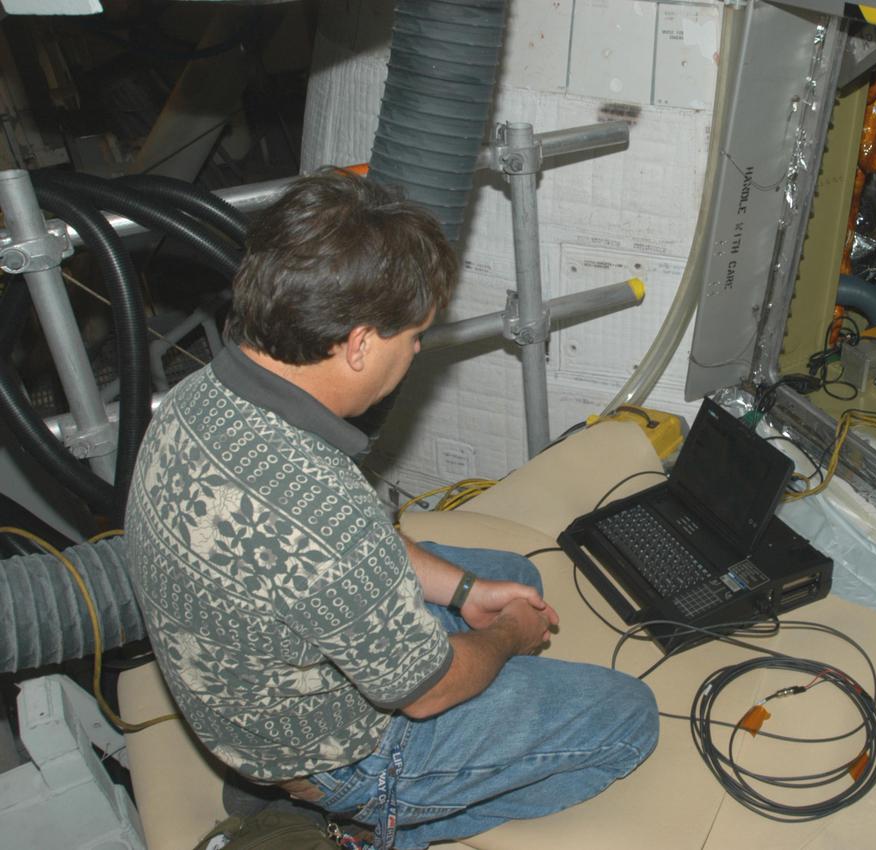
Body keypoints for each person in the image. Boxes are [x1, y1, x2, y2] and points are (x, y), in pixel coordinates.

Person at [124, 169, 658, 849]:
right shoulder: (317, 500)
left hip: (245, 694)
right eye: (414, 338)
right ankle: (369, 825)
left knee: (508, 576)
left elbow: (345, 552)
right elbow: (425, 691)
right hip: (338, 758)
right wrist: (505, 640)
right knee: (628, 719)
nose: (415, 354)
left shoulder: (201, 395)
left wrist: (467, 591)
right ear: (359, 344)